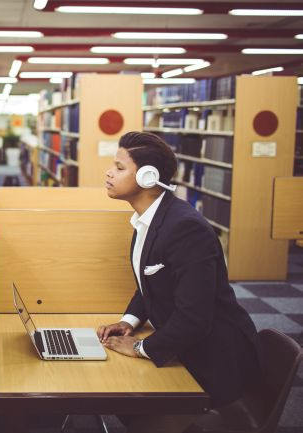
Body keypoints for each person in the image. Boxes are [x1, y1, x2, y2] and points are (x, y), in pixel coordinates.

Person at [97, 132, 261, 433]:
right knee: (121, 397)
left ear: (148, 177)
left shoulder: (185, 228)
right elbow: (151, 280)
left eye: (119, 167)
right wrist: (129, 321)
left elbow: (195, 318)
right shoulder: (147, 219)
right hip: (186, 343)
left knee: (136, 410)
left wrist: (142, 347)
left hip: (213, 358)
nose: (108, 172)